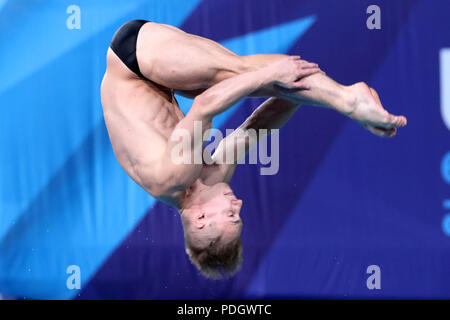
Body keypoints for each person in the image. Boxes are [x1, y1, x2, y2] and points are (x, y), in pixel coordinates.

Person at [100, 20, 407, 278]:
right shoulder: (214, 178)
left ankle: (350, 100)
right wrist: (302, 94)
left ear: (201, 219)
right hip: (157, 80)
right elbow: (260, 126)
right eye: (239, 216)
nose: (239, 204)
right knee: (274, 81)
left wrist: (271, 76)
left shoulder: (172, 177)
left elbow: (205, 106)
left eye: (231, 216)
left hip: (132, 57)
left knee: (240, 72)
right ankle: (347, 100)